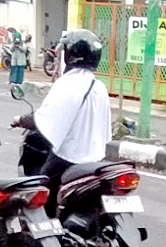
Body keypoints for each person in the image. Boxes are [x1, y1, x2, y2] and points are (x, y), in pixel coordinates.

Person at [11, 29, 110, 210]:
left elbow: (45, 118)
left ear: (72, 55)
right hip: (96, 159)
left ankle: (43, 231)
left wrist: (21, 120)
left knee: (38, 193)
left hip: (70, 157)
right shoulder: (100, 86)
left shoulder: (68, 83)